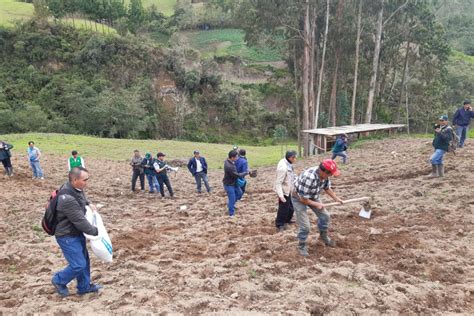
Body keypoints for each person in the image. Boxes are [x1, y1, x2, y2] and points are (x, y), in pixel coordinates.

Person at [51, 167, 102, 297]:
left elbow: (81, 197)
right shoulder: (66, 198)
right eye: (85, 180)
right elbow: (80, 221)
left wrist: (89, 203)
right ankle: (58, 280)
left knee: (84, 260)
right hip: (66, 235)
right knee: (78, 264)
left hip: (76, 233)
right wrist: (97, 232)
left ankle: (84, 287)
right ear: (74, 180)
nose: (87, 182)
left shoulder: (75, 189)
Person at [291, 159, 344, 257]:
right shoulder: (309, 178)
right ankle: (301, 246)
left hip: (313, 195)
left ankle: (323, 236)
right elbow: (303, 200)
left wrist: (337, 199)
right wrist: (317, 204)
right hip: (299, 198)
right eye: (330, 174)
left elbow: (327, 188)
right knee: (305, 226)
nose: (331, 176)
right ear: (323, 171)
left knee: (325, 217)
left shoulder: (324, 176)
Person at [274, 150, 297, 232]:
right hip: (283, 191)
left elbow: (291, 175)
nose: (295, 159)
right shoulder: (283, 168)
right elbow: (278, 182)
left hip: (288, 189)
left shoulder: (288, 164)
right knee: (283, 208)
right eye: (294, 158)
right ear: (290, 158)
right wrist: (280, 195)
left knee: (290, 208)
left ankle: (287, 220)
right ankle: (279, 224)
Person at [223, 150, 250, 217]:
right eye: (236, 157)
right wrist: (247, 172)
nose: (238, 158)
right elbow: (237, 175)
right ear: (232, 157)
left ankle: (230, 205)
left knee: (240, 193)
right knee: (232, 198)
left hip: (234, 182)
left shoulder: (229, 161)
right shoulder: (229, 166)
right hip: (229, 184)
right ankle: (231, 214)